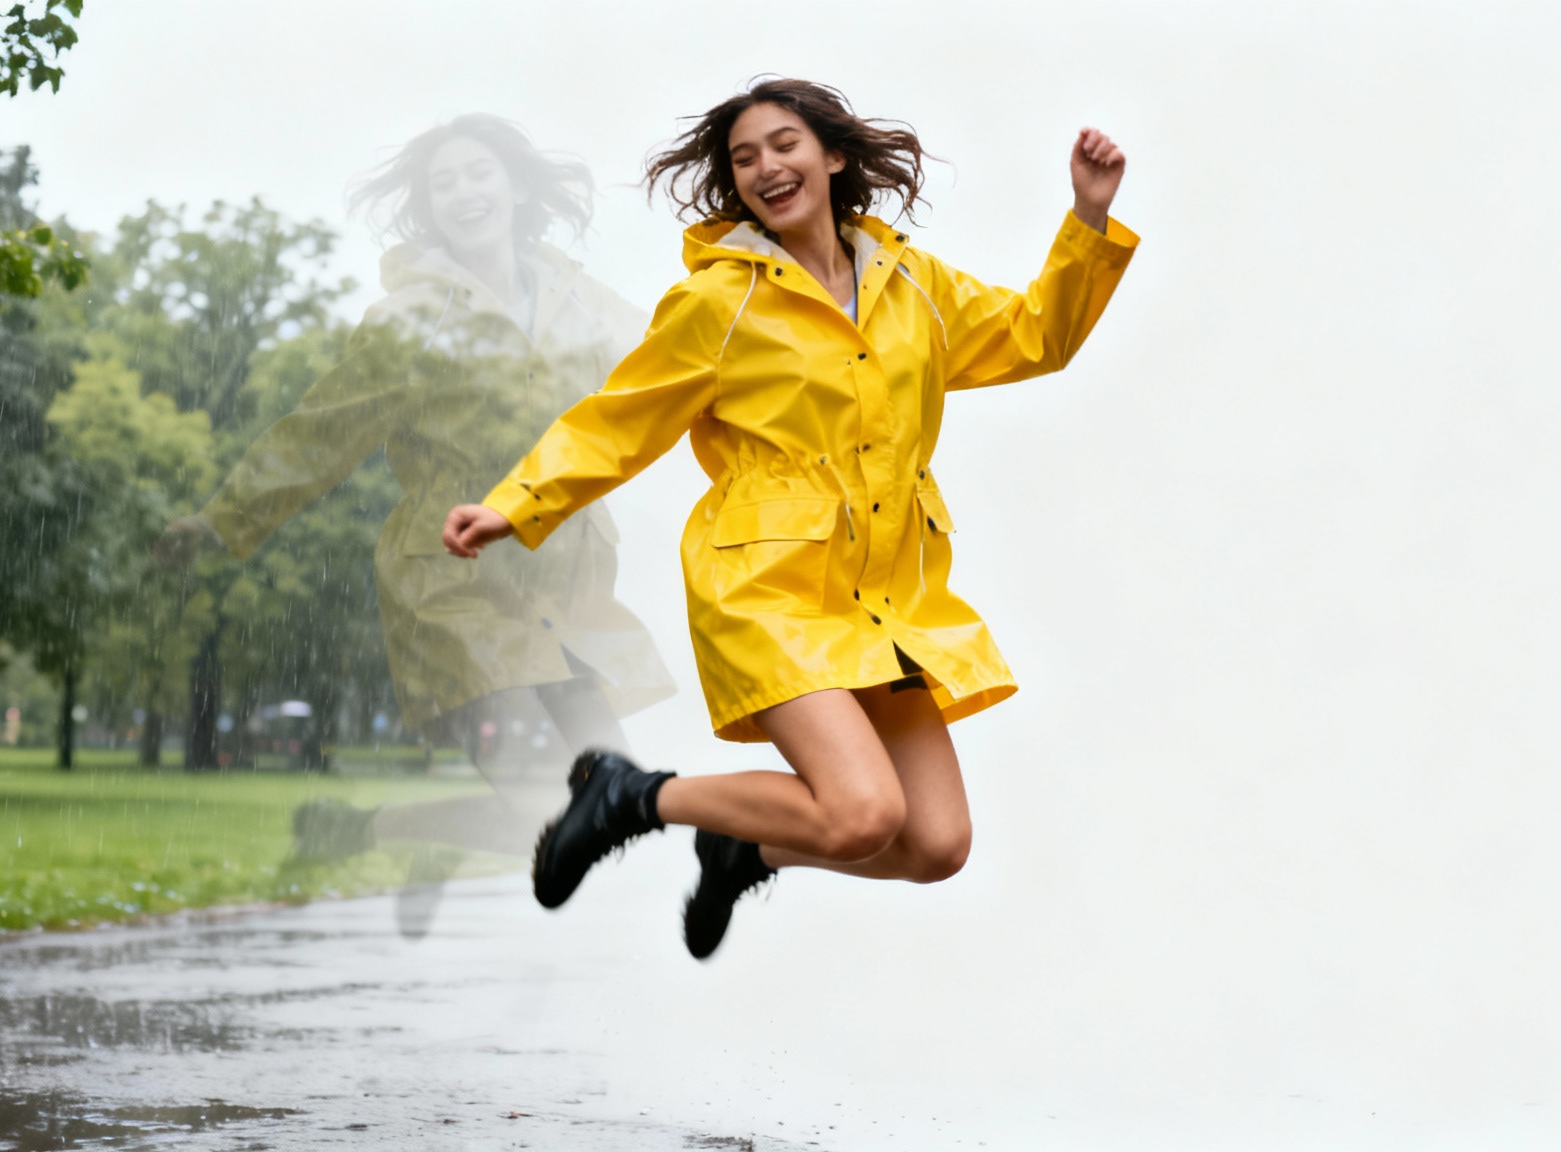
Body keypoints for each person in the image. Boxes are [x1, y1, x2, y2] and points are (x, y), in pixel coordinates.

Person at [443, 79, 1136, 959]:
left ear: (833, 156)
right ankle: (630, 796)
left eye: (784, 144)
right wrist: (514, 505)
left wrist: (1086, 217)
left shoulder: (913, 285)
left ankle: (744, 846)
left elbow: (1039, 336)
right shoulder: (719, 303)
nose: (766, 166)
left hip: (885, 594)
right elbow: (620, 418)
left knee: (933, 846)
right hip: (766, 584)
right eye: (744, 158)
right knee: (861, 814)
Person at [156, 116, 676, 916]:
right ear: (427, 207)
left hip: (563, 584)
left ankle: (373, 831)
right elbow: (322, 428)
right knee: (551, 800)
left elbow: (676, 366)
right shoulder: (410, 319)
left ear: (515, 185)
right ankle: (382, 833)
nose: (465, 194)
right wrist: (224, 519)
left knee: (625, 809)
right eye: (445, 182)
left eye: (479, 173)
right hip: (455, 582)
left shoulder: (581, 299)